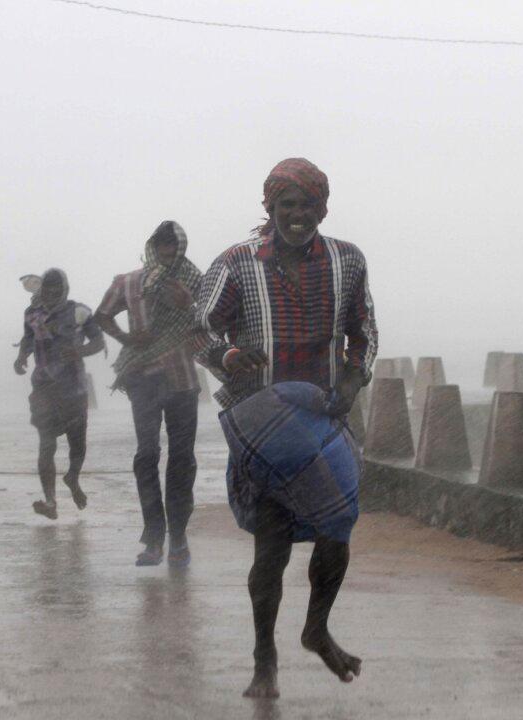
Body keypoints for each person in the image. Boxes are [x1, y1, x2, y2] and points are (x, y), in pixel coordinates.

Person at [195, 158, 377, 698]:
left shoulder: (347, 260)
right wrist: (228, 355)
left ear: (323, 208)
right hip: (264, 422)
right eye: (287, 206)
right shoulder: (237, 264)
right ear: (270, 208)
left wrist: (353, 377)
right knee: (270, 548)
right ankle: (264, 659)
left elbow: (364, 329)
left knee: (338, 527)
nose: (298, 216)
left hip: (323, 416)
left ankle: (316, 627)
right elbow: (198, 330)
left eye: (308, 206)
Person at [95, 221, 203, 567]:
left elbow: (212, 320)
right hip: (143, 379)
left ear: (181, 247)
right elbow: (102, 315)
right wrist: (127, 339)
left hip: (182, 380)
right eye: (162, 243)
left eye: (173, 244)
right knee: (147, 455)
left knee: (182, 459)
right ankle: (154, 537)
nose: (168, 250)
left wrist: (189, 305)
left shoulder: (195, 281)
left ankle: (178, 537)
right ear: (153, 246)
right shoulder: (129, 282)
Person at [14, 268, 105, 520]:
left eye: (57, 290)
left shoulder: (79, 312)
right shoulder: (33, 314)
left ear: (64, 289)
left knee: (77, 444)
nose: (52, 294)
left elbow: (98, 342)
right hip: (44, 388)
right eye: (48, 289)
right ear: (42, 290)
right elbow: (27, 338)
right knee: (46, 444)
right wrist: (21, 357)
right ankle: (50, 501)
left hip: (73, 388)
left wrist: (79, 352)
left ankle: (72, 478)